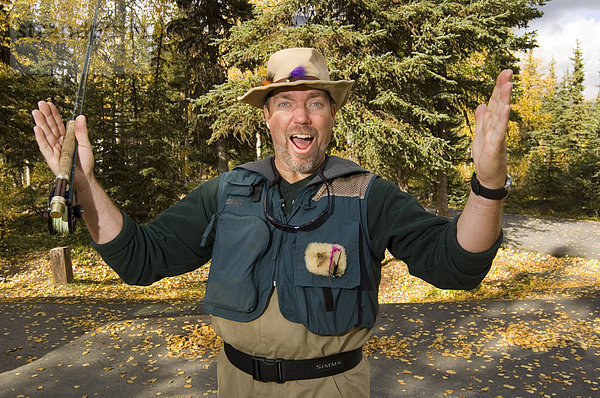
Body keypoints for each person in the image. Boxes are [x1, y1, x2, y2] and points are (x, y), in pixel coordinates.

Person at [32, 47, 512, 397]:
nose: (301, 116)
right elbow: (140, 259)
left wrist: (488, 183)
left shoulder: (368, 194)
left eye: (316, 102)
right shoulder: (226, 192)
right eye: (285, 102)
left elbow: (457, 266)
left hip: (334, 389)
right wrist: (82, 185)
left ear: (331, 116)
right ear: (267, 116)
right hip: (237, 386)